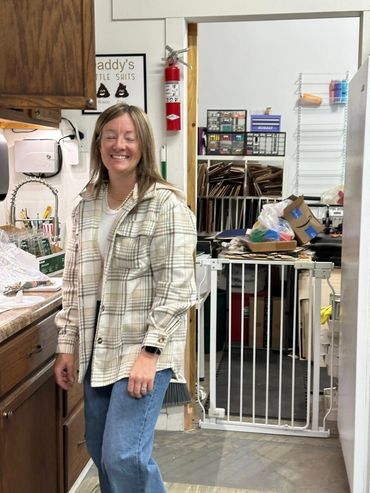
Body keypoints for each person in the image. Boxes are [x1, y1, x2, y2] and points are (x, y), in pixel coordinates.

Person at [54, 103, 197, 493]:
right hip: (98, 343)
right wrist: (66, 344)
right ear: (99, 142)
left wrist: (150, 353)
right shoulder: (86, 204)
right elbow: (73, 278)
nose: (120, 145)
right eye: (111, 135)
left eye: (129, 137)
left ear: (143, 146)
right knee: (101, 451)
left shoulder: (166, 204)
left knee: (124, 455)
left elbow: (177, 286)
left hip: (143, 344)